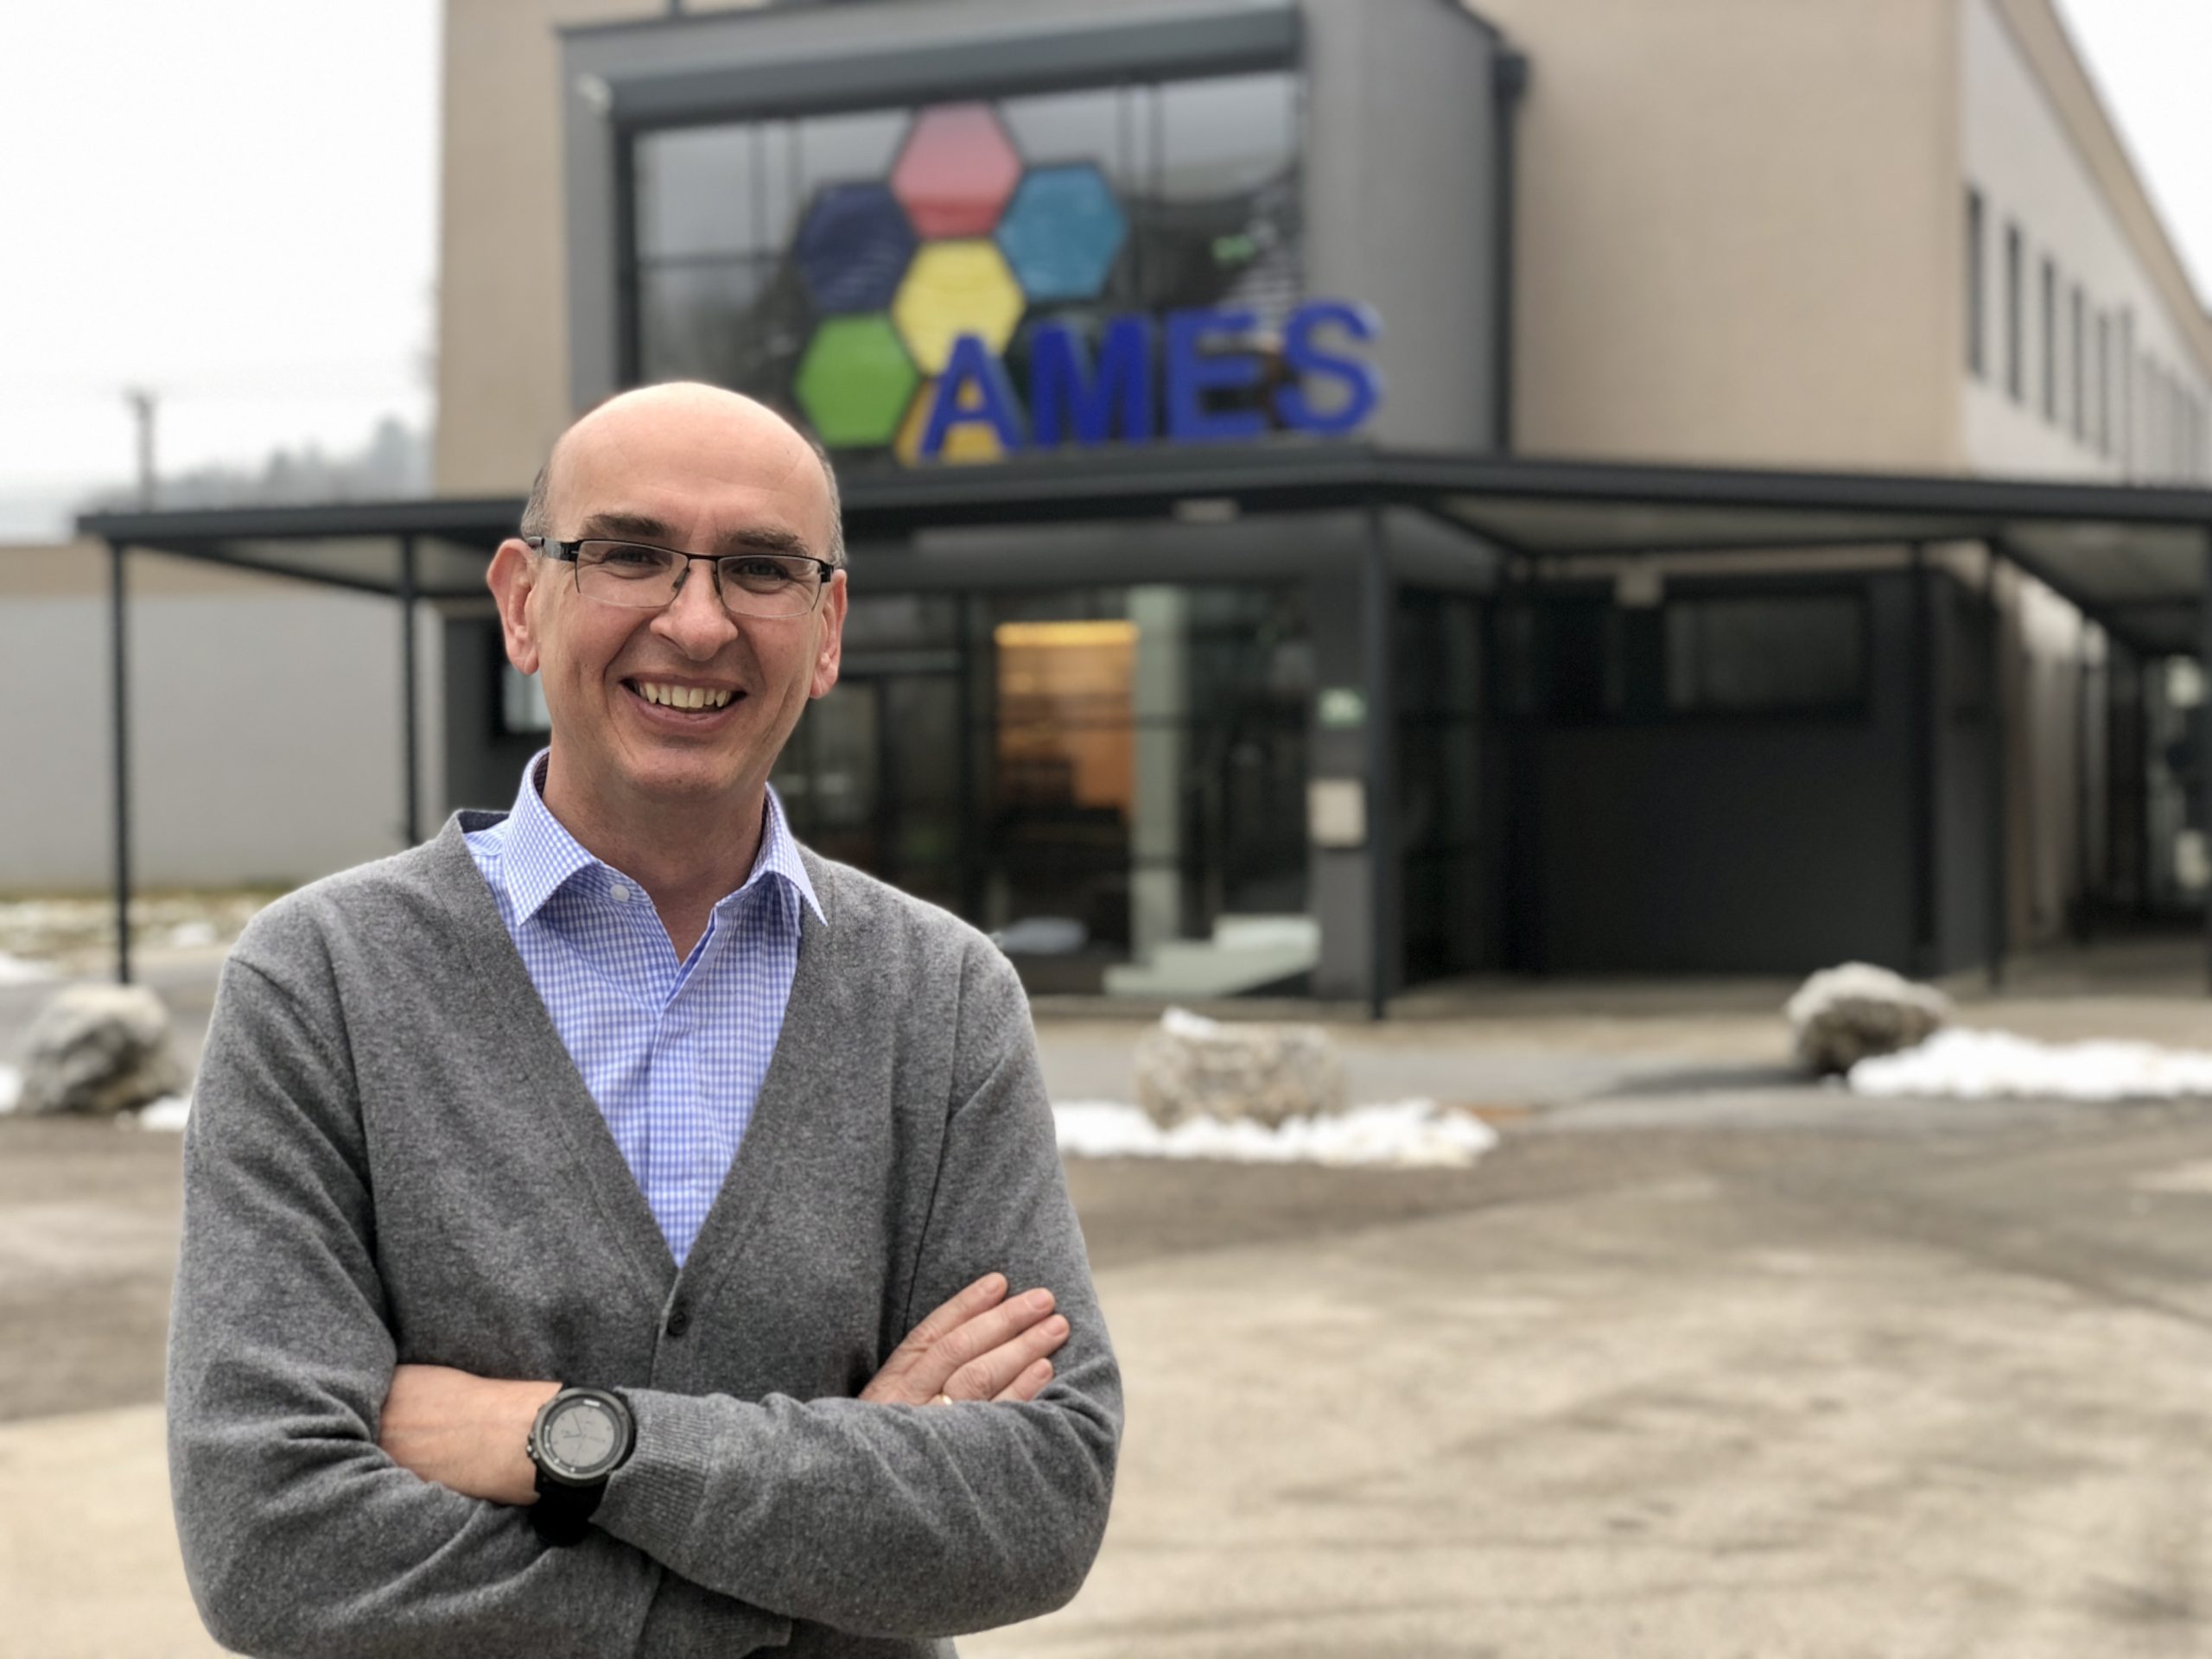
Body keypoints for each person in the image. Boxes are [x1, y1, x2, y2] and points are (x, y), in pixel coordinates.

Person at [166, 382, 1122, 1657]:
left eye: (762, 569)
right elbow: (272, 1546)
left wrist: (560, 1439)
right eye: (629, 555)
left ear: (828, 628)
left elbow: (1038, 1505)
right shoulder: (322, 986)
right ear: (521, 601)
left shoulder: (942, 1002)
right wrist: (832, 1530)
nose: (697, 620)